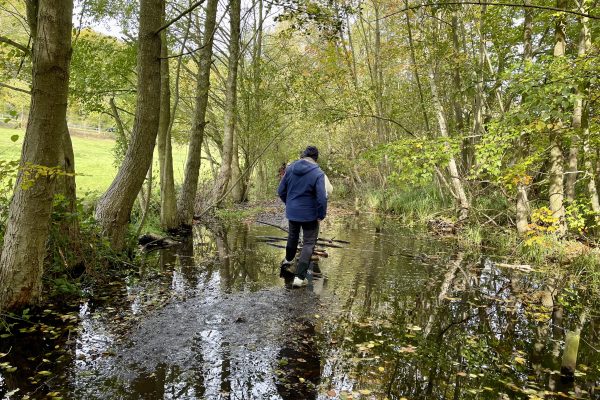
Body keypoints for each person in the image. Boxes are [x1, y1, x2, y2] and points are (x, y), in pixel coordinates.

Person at [277, 146, 328, 287]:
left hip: (293, 212)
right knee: (309, 243)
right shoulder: (318, 173)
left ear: (303, 155)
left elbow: (281, 191)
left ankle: (288, 261)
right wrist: (321, 214)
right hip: (310, 215)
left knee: (292, 236)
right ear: (316, 158)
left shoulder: (291, 168)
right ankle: (299, 279)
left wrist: (290, 204)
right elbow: (322, 198)